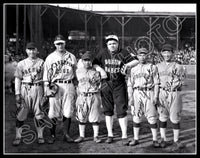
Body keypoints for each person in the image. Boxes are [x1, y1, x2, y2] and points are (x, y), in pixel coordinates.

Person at [93, 34, 139, 145]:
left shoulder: (123, 52)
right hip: (106, 84)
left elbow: (136, 61)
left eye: (114, 43)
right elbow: (94, 63)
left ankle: (124, 135)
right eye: (110, 44)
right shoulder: (103, 52)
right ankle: (110, 135)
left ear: (117, 44)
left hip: (119, 84)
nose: (112, 45)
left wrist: (127, 65)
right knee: (108, 111)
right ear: (107, 45)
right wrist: (100, 70)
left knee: (121, 110)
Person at [43, 34, 77, 144]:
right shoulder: (50, 57)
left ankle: (66, 134)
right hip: (54, 85)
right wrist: (46, 90)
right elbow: (46, 76)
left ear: (65, 43)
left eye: (61, 43)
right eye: (58, 44)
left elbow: (76, 73)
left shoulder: (72, 57)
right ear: (54, 45)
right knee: (53, 111)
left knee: (68, 110)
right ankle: (52, 135)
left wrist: (76, 87)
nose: (60, 45)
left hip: (69, 84)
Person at [12, 42, 45, 146]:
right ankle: (18, 136)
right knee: (21, 114)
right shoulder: (21, 63)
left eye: (33, 49)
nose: (32, 51)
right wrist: (17, 94)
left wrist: (46, 93)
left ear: (37, 50)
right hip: (25, 88)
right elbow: (17, 79)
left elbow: (45, 79)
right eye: (29, 49)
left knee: (39, 113)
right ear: (26, 51)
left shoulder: (42, 62)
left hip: (38, 88)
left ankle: (40, 136)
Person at [127, 48, 160, 147]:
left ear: (147, 56)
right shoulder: (133, 69)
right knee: (136, 116)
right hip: (137, 93)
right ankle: (136, 139)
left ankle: (155, 139)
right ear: (137, 56)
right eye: (140, 55)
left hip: (148, 92)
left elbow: (157, 83)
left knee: (152, 117)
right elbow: (130, 84)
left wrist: (156, 96)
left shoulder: (152, 67)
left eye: (144, 54)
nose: (142, 57)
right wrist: (130, 97)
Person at [156, 44, 185, 150]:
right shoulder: (157, 66)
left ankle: (176, 140)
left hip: (174, 92)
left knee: (175, 117)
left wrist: (175, 90)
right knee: (162, 116)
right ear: (162, 53)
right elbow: (155, 82)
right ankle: (163, 138)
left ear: (172, 53)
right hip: (162, 92)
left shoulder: (178, 66)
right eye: (164, 52)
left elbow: (181, 82)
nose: (167, 54)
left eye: (169, 52)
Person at [74, 51, 104, 143]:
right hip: (82, 96)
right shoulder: (78, 71)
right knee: (81, 116)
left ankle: (96, 136)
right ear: (82, 61)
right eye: (85, 60)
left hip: (94, 95)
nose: (87, 62)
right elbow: (75, 83)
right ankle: (81, 136)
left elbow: (102, 82)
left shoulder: (97, 71)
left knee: (94, 116)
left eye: (89, 60)